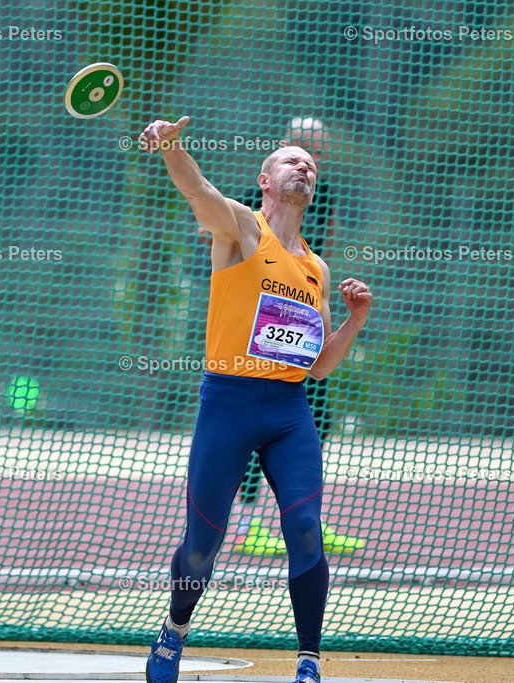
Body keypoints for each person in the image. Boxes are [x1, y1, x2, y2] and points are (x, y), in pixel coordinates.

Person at [138, 115, 373, 683]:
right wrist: (172, 146)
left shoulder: (315, 266)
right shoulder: (240, 229)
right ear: (265, 180)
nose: (305, 167)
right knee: (202, 545)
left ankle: (309, 663)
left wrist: (355, 319)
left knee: (305, 529)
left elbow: (318, 366)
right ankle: (175, 629)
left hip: (289, 413)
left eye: (310, 165)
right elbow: (197, 188)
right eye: (292, 161)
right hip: (229, 403)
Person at [230, 118, 365, 557]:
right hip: (261, 328)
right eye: (304, 148)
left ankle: (306, 520)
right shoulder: (262, 194)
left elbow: (321, 239)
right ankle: (246, 527)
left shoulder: (323, 194)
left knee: (318, 417)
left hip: (303, 312)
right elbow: (220, 228)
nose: (311, 160)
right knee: (252, 432)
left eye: (318, 151)